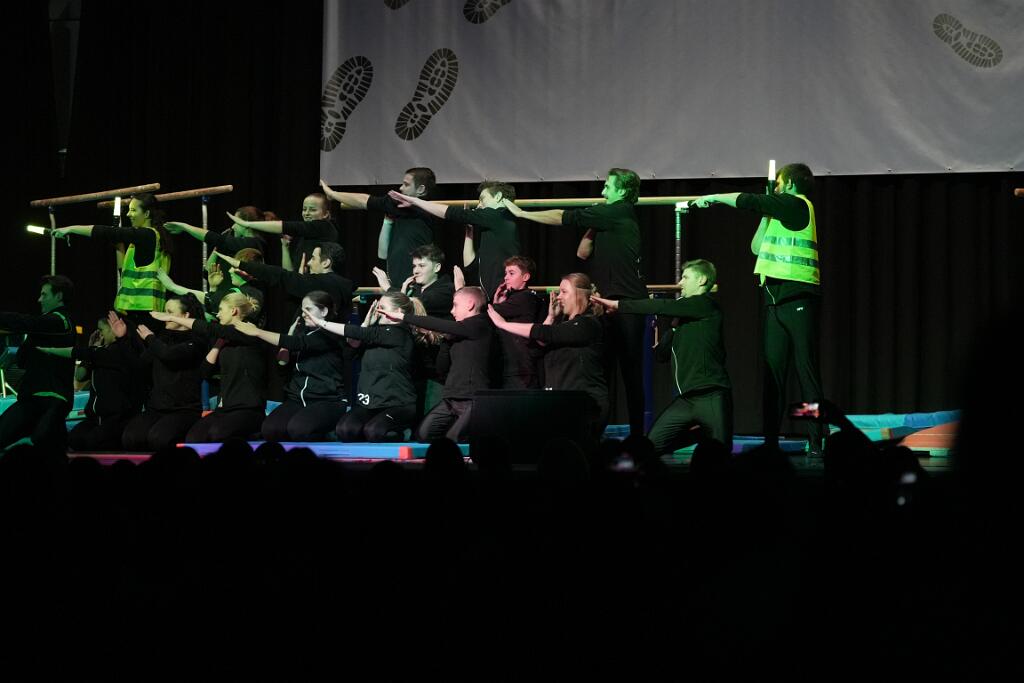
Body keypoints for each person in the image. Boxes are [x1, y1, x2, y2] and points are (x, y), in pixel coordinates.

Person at [691, 162, 824, 454]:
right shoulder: (779, 210)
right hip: (774, 300)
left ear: (790, 184)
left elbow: (746, 200)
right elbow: (756, 247)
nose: (775, 188)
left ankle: (816, 438)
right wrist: (766, 213)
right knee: (773, 375)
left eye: (779, 183)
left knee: (806, 373)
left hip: (798, 297)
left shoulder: (797, 204)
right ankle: (771, 440)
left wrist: (713, 198)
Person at [503, 168, 647, 436]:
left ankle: (638, 437)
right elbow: (582, 252)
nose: (603, 191)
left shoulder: (618, 211)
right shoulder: (607, 216)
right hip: (606, 304)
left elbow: (563, 216)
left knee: (630, 372)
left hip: (627, 304)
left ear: (622, 190)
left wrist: (522, 214)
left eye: (608, 186)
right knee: (599, 367)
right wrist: (594, 223)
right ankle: (592, 429)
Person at [594, 259, 733, 453]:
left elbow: (662, 305)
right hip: (686, 400)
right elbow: (661, 355)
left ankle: (707, 434)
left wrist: (618, 305)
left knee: (721, 455)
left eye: (685, 278)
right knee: (650, 447)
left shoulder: (706, 305)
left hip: (710, 395)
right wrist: (671, 329)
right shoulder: (684, 318)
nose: (680, 283)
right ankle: (702, 434)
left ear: (701, 280)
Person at [487, 272, 608, 438]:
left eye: (564, 292)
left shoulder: (588, 323)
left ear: (579, 295)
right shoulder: (563, 326)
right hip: (563, 405)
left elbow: (545, 333)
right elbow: (538, 345)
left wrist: (503, 324)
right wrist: (551, 317)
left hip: (586, 404)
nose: (559, 297)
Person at [231, 291, 349, 441]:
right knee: (270, 430)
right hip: (298, 400)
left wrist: (257, 332)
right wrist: (289, 336)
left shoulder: (330, 334)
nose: (304, 314)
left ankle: (328, 432)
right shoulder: (303, 334)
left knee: (298, 429)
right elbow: (282, 365)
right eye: (303, 310)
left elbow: (299, 343)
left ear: (324, 311)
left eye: (309, 309)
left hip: (327, 400)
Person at [151, 292, 268, 443]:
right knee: (194, 438)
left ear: (233, 311)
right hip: (225, 409)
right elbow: (205, 372)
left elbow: (208, 328)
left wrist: (173, 318)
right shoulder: (225, 337)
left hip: (248, 408)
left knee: (217, 434)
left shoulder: (249, 332)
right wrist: (218, 344)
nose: (218, 314)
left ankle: (252, 437)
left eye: (221, 310)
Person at [380, 287, 493, 442]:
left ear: (470, 304)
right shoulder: (459, 333)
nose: (452, 311)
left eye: (455, 305)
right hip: (451, 399)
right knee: (423, 434)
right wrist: (446, 341)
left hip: (473, 399)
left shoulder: (481, 324)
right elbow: (442, 368)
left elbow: (439, 324)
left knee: (454, 438)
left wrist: (402, 316)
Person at [54, 192, 173, 326]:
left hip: (143, 312)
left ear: (146, 214)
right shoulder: (148, 240)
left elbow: (107, 232)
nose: (128, 214)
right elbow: (124, 272)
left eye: (133, 210)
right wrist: (118, 246)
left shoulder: (147, 235)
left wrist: (71, 229)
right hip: (140, 310)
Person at [313, 292, 419, 442]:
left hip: (398, 404)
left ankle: (402, 431)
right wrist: (365, 324)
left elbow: (357, 332)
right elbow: (350, 353)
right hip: (371, 404)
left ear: (398, 312)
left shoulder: (400, 333)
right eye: (377, 307)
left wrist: (321, 323)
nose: (378, 311)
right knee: (344, 430)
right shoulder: (374, 333)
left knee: (374, 432)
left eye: (382, 308)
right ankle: (370, 428)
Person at [387, 180, 520, 298]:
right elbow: (469, 265)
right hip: (495, 297)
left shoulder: (499, 215)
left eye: (482, 199)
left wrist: (414, 201)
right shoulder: (495, 225)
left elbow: (452, 213)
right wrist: (469, 230)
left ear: (498, 196)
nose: (479, 205)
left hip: (505, 296)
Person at [37, 312, 143, 451]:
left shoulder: (116, 352)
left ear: (112, 329)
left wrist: (49, 350)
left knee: (93, 442)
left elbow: (77, 352)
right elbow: (80, 375)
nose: (99, 334)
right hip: (95, 419)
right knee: (74, 440)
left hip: (116, 419)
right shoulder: (99, 353)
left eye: (101, 330)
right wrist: (92, 348)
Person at [319, 168, 438, 284]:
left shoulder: (410, 208)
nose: (401, 188)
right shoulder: (402, 213)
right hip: (399, 283)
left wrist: (332, 194)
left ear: (421, 189)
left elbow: (363, 201)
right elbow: (382, 254)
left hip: (414, 284)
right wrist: (387, 221)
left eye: (406, 185)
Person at [0, 275, 76, 453]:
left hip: (55, 399)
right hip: (30, 400)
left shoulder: (62, 321)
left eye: (44, 294)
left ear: (59, 296)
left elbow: (28, 322)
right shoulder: (42, 328)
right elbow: (22, 360)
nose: (39, 299)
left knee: (43, 441)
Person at [121, 294, 207, 451]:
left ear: (185, 315)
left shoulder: (197, 340)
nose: (164, 316)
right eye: (164, 311)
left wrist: (150, 338)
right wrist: (124, 339)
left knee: (158, 438)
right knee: (131, 437)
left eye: (170, 312)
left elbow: (169, 354)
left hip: (184, 411)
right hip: (157, 408)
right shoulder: (162, 337)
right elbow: (140, 364)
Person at [223, 192, 339, 272]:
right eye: (304, 209)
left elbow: (287, 226)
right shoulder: (305, 237)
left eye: (312, 210)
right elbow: (289, 272)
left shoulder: (326, 227)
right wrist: (285, 247)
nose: (307, 213)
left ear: (326, 214)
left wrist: (247, 224)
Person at [489, 256, 546, 388]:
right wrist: (497, 303)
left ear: (525, 277)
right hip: (516, 367)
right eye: (505, 273)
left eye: (511, 273)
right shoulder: (515, 298)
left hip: (522, 369)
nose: (506, 278)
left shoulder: (525, 297)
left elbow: (487, 312)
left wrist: (495, 305)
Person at [164, 205, 271, 255]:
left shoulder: (253, 243)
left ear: (246, 223)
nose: (233, 226)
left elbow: (214, 238)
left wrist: (185, 227)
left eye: (236, 222)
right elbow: (207, 270)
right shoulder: (243, 244)